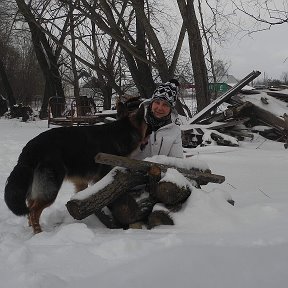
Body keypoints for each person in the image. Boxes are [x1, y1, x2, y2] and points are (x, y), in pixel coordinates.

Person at [135, 79, 183, 160]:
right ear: (151, 103)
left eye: (165, 105)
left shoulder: (175, 131)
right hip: (131, 170)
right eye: (157, 102)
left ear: (171, 109)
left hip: (161, 172)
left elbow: (176, 161)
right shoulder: (136, 122)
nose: (160, 108)